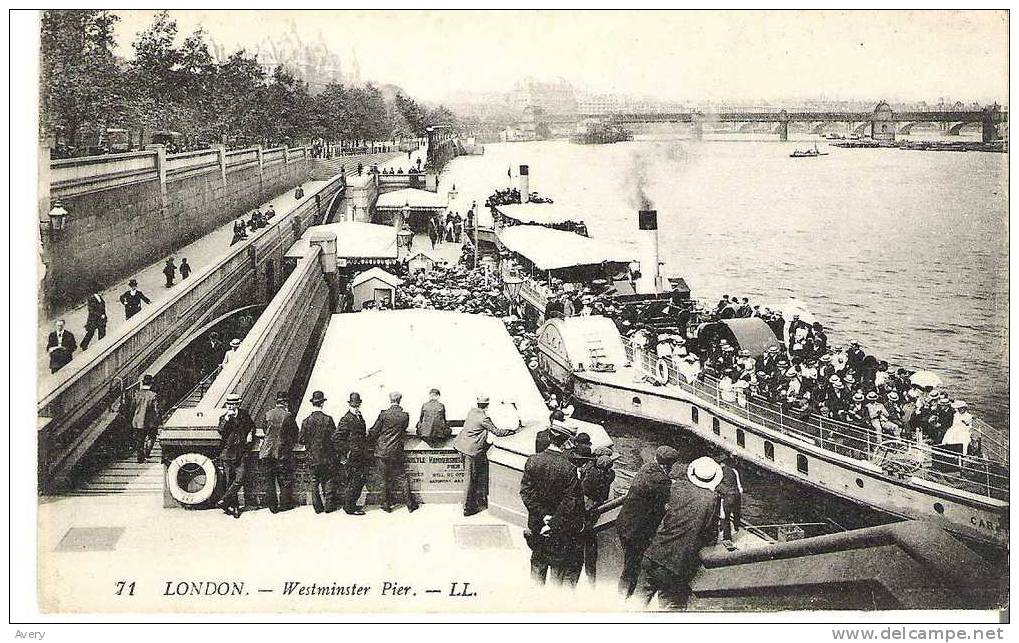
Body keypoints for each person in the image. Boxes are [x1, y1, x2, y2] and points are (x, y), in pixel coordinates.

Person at [635, 456, 722, 609]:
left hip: (654, 552)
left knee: (639, 600)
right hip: (677, 563)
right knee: (672, 605)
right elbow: (710, 534)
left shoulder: (677, 487)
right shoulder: (712, 499)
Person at [519, 424, 580, 586]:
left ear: (549, 438)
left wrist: (542, 515)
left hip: (537, 523)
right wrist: (552, 521)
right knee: (557, 567)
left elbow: (526, 493)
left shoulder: (533, 460)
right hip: (558, 527)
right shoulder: (569, 468)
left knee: (537, 563)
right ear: (566, 441)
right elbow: (569, 502)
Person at [615, 446, 679, 598]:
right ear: (668, 465)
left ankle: (625, 593)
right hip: (636, 531)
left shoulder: (646, 468)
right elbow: (668, 500)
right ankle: (624, 597)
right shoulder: (661, 481)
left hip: (625, 523)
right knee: (632, 566)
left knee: (630, 561)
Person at [452, 394, 518, 516]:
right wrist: (510, 431)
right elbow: (497, 431)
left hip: (461, 446)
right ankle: (467, 508)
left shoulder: (471, 412)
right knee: (470, 479)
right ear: (487, 405)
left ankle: (473, 502)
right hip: (471, 451)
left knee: (471, 477)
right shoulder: (484, 419)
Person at [369, 391, 418, 513]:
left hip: (382, 451)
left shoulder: (383, 415)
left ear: (390, 400)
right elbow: (403, 429)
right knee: (402, 477)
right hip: (396, 451)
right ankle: (410, 505)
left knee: (383, 478)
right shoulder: (405, 415)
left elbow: (374, 431)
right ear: (400, 400)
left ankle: (386, 505)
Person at [577, 447, 617, 584]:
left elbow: (584, 488)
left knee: (584, 529)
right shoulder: (611, 475)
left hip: (588, 505)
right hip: (597, 504)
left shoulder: (592, 473)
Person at [215, 392, 254, 518]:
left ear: (238, 404)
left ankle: (224, 501)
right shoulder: (223, 418)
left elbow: (252, 426)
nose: (230, 407)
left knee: (240, 478)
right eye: (228, 404)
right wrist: (226, 419)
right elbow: (220, 430)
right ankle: (235, 507)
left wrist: (250, 433)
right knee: (229, 481)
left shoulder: (244, 415)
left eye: (233, 404)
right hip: (227, 454)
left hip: (241, 452)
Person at [300, 390, 338, 514]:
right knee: (328, 480)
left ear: (313, 404)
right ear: (322, 404)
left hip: (312, 458)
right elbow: (334, 438)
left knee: (314, 482)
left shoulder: (306, 421)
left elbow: (301, 440)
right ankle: (329, 507)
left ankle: (318, 508)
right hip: (327, 457)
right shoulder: (328, 420)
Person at [261, 392, 298, 513]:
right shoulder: (288, 415)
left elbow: (265, 429)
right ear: (285, 403)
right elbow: (295, 433)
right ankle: (284, 505)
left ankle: (272, 507)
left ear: (277, 402)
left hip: (267, 452)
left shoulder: (268, 414)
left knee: (269, 480)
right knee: (284, 480)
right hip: (281, 452)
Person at [335, 392, 368, 515]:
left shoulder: (359, 416)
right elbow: (337, 438)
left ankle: (352, 505)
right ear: (350, 404)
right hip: (353, 456)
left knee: (358, 481)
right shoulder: (346, 418)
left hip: (360, 455)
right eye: (354, 404)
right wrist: (347, 451)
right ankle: (349, 508)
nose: (357, 405)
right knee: (353, 481)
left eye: (358, 403)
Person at [127, 373, 160, 463]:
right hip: (149, 421)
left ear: (142, 383)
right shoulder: (153, 395)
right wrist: (157, 420)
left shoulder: (137, 394)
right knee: (152, 436)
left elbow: (132, 408)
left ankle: (140, 457)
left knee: (140, 439)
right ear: (151, 383)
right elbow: (156, 410)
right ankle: (147, 452)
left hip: (137, 421)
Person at [716, 453, 744, 541]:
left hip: (728, 496)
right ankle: (737, 528)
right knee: (737, 513)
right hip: (737, 494)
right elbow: (739, 486)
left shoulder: (719, 473)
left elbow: (717, 486)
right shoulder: (734, 471)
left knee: (725, 517)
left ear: (720, 464)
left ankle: (727, 537)